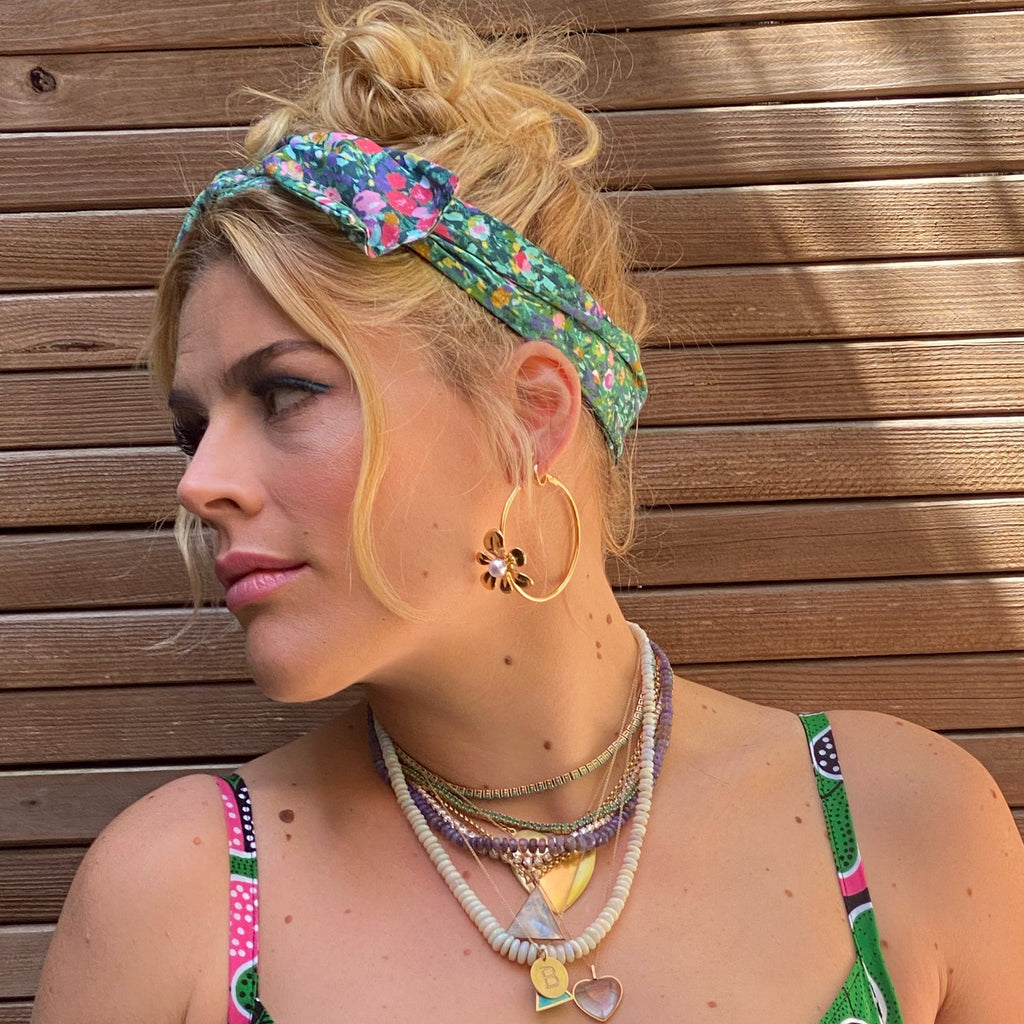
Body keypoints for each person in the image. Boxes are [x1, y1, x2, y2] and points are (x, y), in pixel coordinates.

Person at [32, 3, 1023, 1022]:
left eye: (285, 393)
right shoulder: (179, 900)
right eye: (194, 430)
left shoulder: (908, 828)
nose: (200, 483)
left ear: (530, 415)